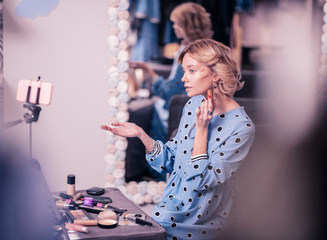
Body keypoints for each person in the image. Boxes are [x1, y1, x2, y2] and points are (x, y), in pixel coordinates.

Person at [102, 38, 255, 239]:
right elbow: (171, 160)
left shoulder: (242, 127)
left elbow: (202, 181)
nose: (183, 78)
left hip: (204, 221)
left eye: (191, 70)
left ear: (216, 73)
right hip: (170, 208)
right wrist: (140, 133)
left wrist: (202, 130)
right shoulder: (193, 105)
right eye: (184, 71)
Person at [125, 2, 214, 182]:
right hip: (184, 100)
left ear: (186, 26)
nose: (173, 27)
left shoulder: (188, 52)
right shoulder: (207, 48)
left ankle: (149, 173)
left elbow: (170, 90)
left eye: (177, 24)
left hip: (178, 105)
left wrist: (148, 71)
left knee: (139, 112)